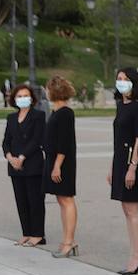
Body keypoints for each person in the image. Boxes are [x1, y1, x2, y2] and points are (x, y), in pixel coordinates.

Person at [109, 68, 138, 275]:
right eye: (119, 79)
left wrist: (132, 167)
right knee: (127, 209)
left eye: (125, 79)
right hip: (119, 161)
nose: (121, 82)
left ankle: (137, 255)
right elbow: (118, 140)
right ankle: (134, 253)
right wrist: (112, 167)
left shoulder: (137, 107)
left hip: (131, 162)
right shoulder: (120, 105)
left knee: (134, 210)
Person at [2, 83, 45, 247]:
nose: (23, 99)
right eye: (19, 96)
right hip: (14, 166)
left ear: (32, 98)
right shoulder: (11, 118)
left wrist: (22, 157)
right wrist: (10, 157)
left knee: (35, 201)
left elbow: (37, 139)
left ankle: (38, 234)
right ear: (14, 99)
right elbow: (6, 141)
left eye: (26, 96)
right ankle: (26, 233)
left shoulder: (38, 116)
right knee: (21, 201)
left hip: (32, 164)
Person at [43, 75, 79, 259]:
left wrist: (57, 166)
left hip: (62, 162)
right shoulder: (56, 112)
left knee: (67, 200)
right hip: (54, 160)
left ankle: (69, 241)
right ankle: (66, 239)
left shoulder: (65, 113)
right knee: (61, 200)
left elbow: (64, 143)